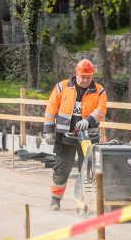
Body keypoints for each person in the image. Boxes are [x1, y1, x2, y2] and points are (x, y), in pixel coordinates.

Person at [43, 59, 108, 211]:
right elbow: (50, 109)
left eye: (88, 77)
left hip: (88, 137)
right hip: (65, 136)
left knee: (87, 170)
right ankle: (55, 199)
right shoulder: (62, 87)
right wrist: (48, 131)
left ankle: (85, 202)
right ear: (76, 74)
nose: (85, 80)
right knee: (61, 168)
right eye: (82, 76)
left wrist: (89, 120)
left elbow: (101, 110)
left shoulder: (99, 90)